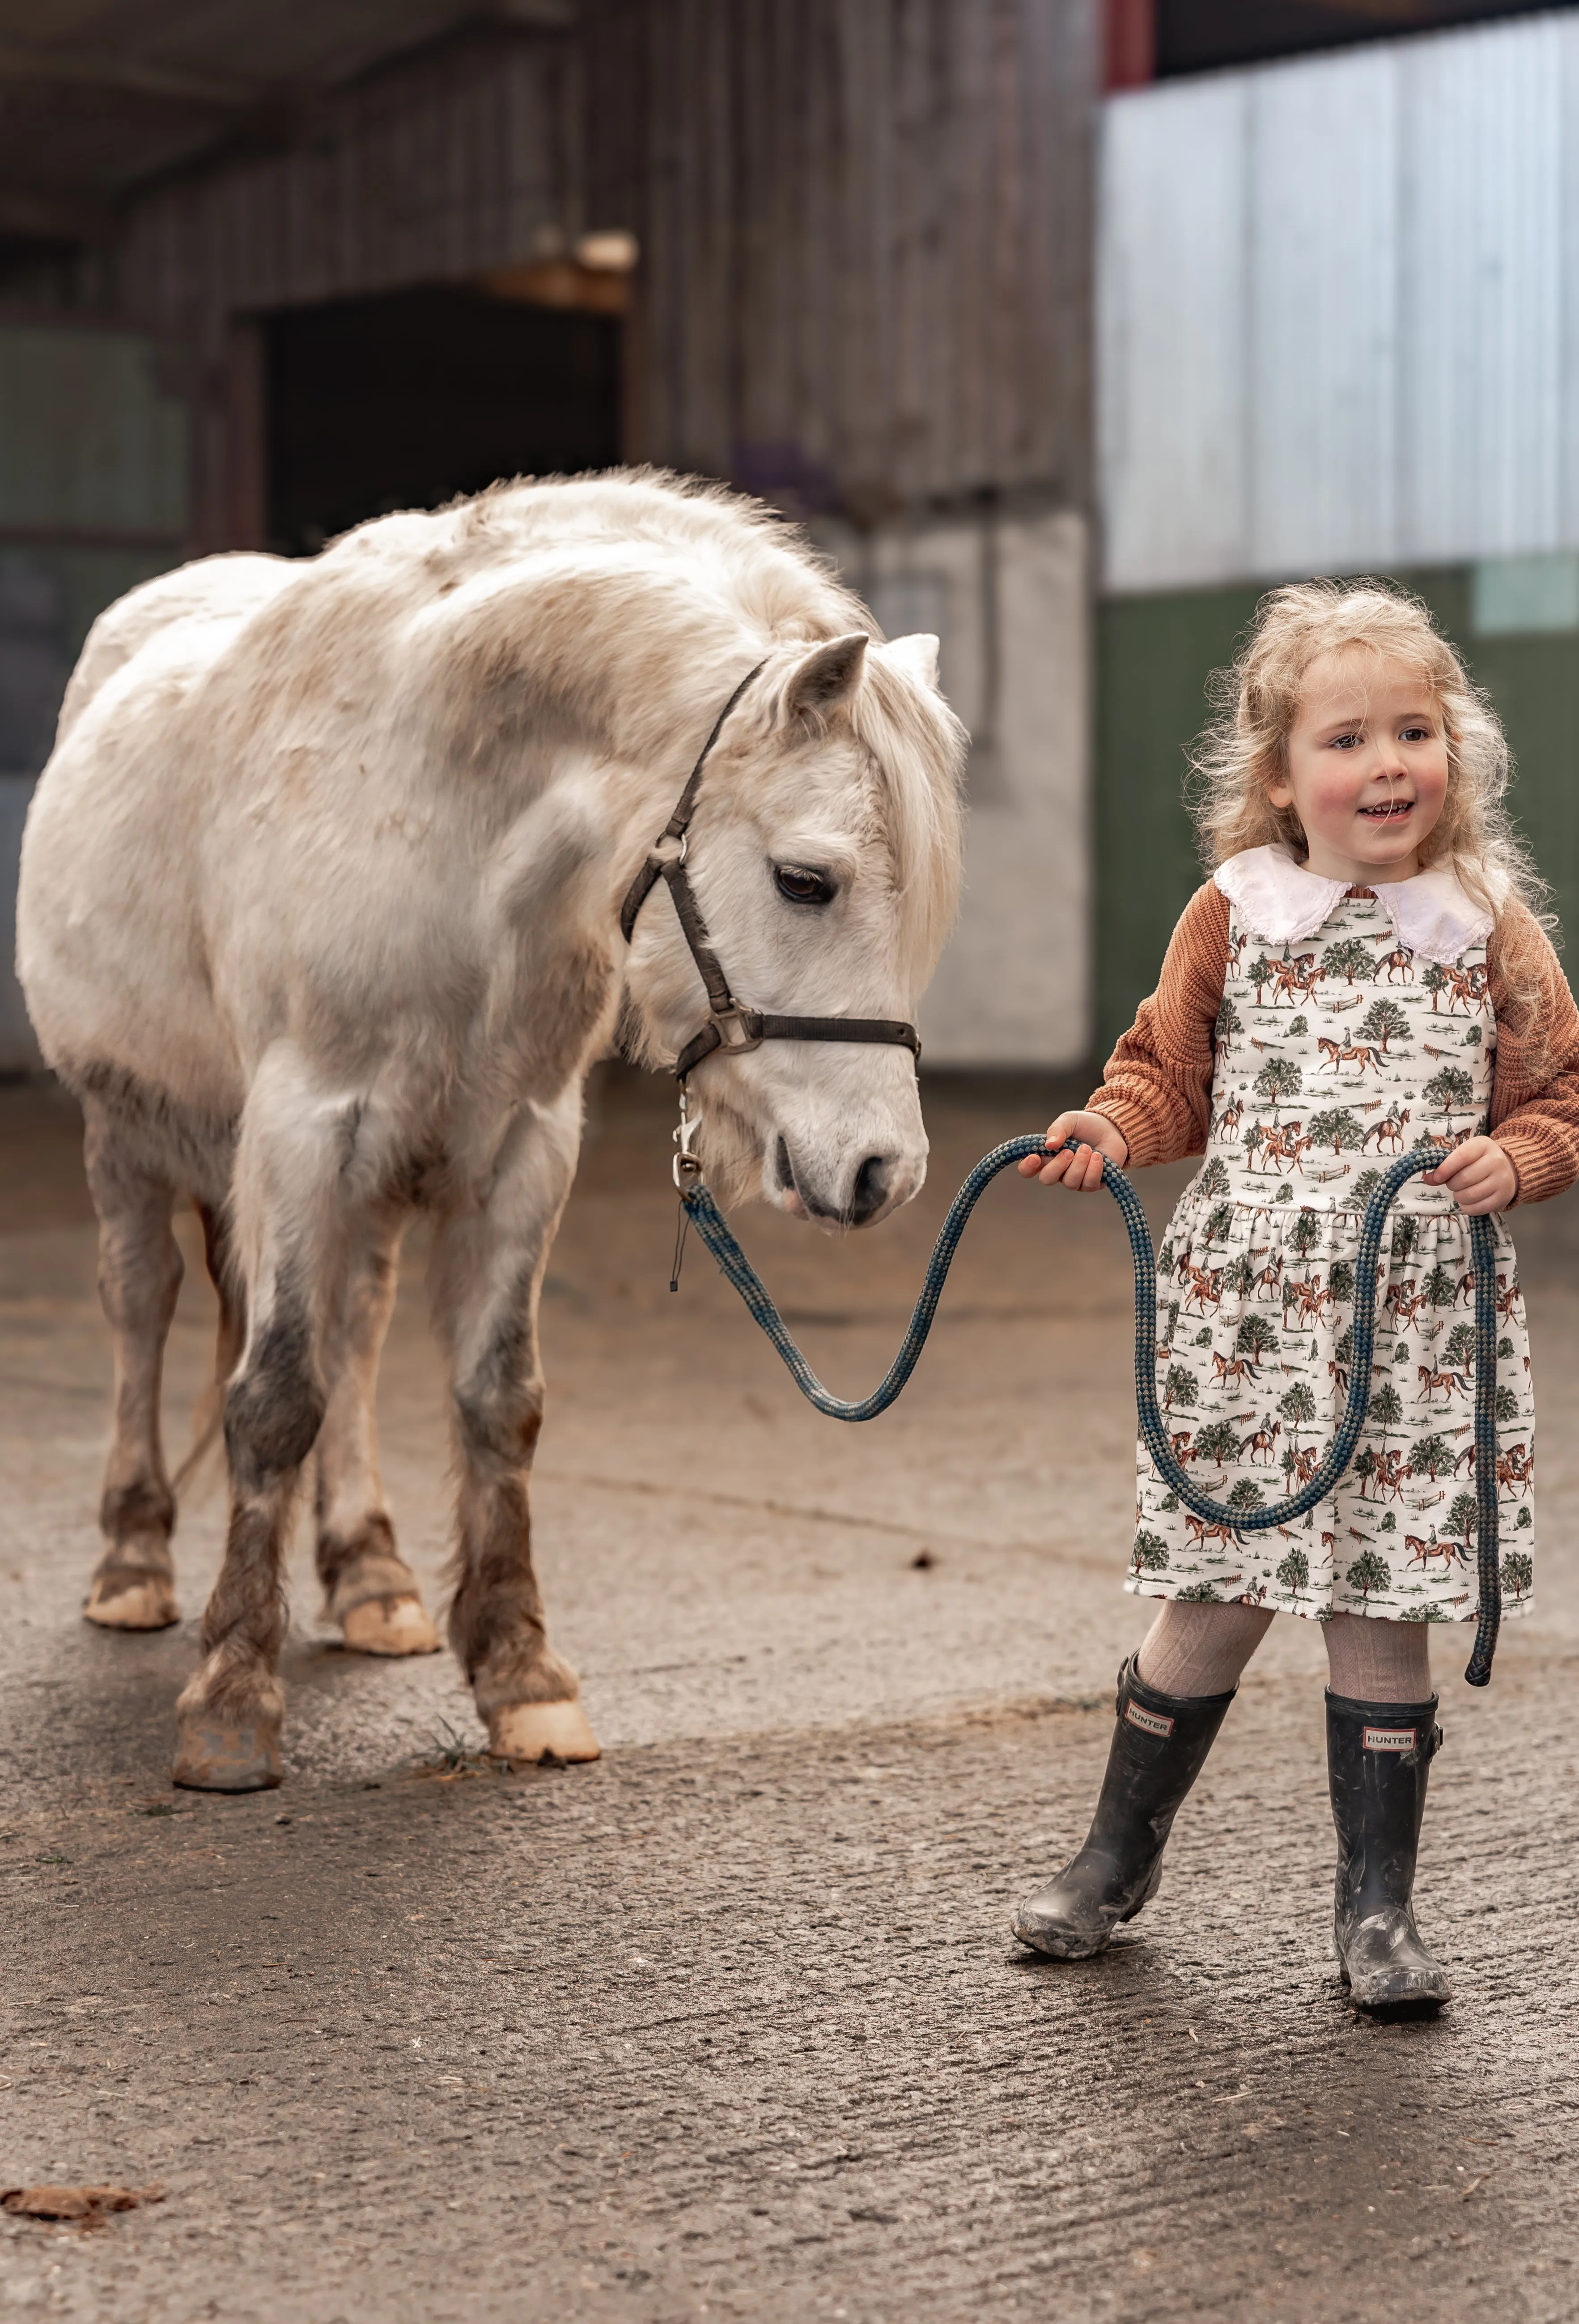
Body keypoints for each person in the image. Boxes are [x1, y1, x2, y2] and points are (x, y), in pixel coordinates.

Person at [1015, 580, 1579, 2008]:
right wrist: (1108, 1130)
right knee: (1210, 1594)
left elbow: (1565, 1093)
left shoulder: (1489, 929)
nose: (1386, 764)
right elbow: (1166, 1072)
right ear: (1281, 775)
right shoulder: (1237, 913)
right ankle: (1112, 1858)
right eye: (1347, 740)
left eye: (1415, 730)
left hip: (1416, 1332)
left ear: (1457, 750)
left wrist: (1519, 1157)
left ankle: (1376, 1914)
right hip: (1249, 1323)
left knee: (1382, 1610)